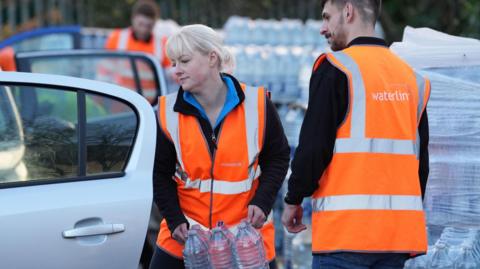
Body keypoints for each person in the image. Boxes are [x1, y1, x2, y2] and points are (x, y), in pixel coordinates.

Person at [281, 0, 430, 268]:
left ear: (348, 11)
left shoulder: (336, 68)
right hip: (397, 239)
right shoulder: (412, 79)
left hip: (345, 235)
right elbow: (421, 164)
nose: (322, 28)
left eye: (327, 18)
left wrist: (293, 199)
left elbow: (314, 148)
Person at [150, 24, 290, 269]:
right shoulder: (166, 112)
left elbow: (278, 157)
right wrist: (174, 220)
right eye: (173, 63)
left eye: (184, 61)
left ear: (212, 58)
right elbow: (159, 174)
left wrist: (263, 201)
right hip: (186, 238)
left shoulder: (258, 105)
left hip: (246, 240)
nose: (176, 71)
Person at [104, 0, 170, 68]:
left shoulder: (163, 45)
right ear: (133, 18)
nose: (144, 30)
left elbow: (170, 73)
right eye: (140, 24)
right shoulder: (116, 38)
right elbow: (105, 69)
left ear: (155, 23)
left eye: (148, 26)